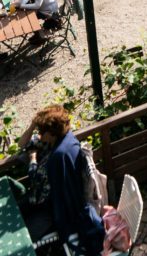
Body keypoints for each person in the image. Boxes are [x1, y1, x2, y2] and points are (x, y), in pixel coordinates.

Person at [30, 105, 105, 256]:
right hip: (75, 206)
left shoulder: (58, 158)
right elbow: (25, 144)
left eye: (41, 131)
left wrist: (32, 160)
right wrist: (34, 123)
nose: (38, 135)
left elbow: (43, 188)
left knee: (27, 230)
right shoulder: (68, 139)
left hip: (58, 214)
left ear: (51, 133)